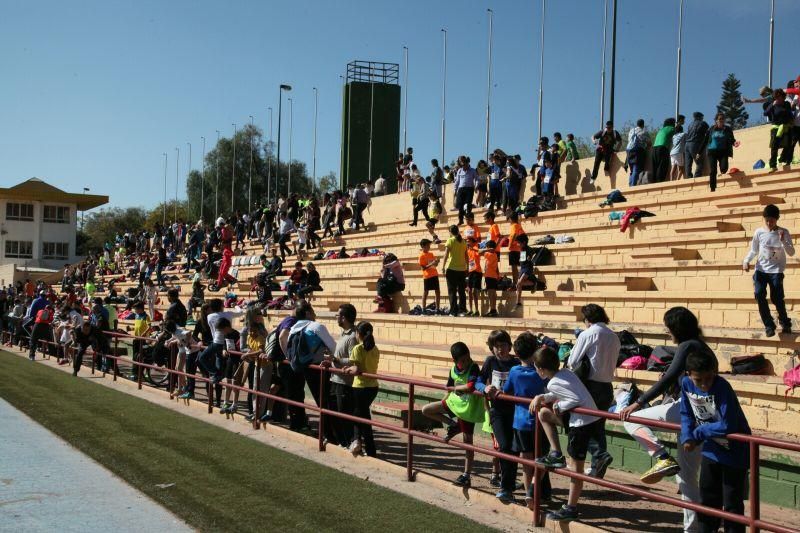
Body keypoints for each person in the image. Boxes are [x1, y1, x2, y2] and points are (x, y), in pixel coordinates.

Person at [620, 306, 710, 532]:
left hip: (687, 410)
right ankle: (693, 529)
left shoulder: (688, 345)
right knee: (687, 477)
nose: (667, 331)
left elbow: (670, 376)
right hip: (704, 413)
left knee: (631, 419)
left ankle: (662, 456)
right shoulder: (700, 345)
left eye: (668, 327)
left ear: (676, 328)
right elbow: (677, 374)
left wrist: (638, 402)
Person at [529, 346, 604, 523]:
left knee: (576, 469)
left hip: (581, 424)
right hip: (587, 420)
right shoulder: (565, 373)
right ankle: (556, 453)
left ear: (541, 369)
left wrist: (559, 406)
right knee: (543, 414)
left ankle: (571, 507)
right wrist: (542, 397)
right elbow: (561, 393)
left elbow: (574, 399)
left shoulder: (553, 381)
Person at [680, 349, 751, 533]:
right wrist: (687, 435)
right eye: (699, 380)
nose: (704, 385)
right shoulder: (686, 384)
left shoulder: (722, 387)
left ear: (715, 373)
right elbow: (686, 413)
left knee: (732, 503)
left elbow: (728, 425)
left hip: (734, 452)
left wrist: (697, 433)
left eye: (708, 379)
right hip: (711, 449)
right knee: (708, 500)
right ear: (689, 374)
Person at [567, 304, 620, 479]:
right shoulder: (614, 336)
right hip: (607, 386)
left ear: (587, 319)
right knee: (598, 426)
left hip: (590, 385)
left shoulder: (588, 333)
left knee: (581, 424)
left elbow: (573, 361)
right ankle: (598, 465)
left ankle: (599, 455)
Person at [422, 342, 484, 487]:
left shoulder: (473, 367)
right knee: (426, 409)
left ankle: (466, 475)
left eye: (467, 358)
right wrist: (445, 399)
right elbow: (449, 387)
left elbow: (470, 386)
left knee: (468, 443)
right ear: (455, 361)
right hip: (453, 403)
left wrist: (458, 388)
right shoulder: (452, 370)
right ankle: (453, 425)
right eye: (462, 360)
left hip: (467, 410)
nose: (466, 361)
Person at [503, 332, 550, 507]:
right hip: (539, 422)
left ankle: (529, 493)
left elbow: (506, 390)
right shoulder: (541, 372)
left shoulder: (514, 371)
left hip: (520, 422)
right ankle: (532, 489)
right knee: (543, 458)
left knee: (526, 459)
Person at [475, 330, 521, 501]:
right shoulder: (490, 361)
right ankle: (505, 486)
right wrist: (484, 388)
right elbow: (478, 380)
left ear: (510, 346)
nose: (500, 349)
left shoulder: (517, 363)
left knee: (515, 449)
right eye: (496, 346)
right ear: (491, 348)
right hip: (498, 412)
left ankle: (509, 484)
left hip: (516, 412)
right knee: (504, 446)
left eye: (503, 345)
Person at [743, 204, 794, 336]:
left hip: (776, 271)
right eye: (767, 220)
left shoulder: (784, 232)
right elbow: (754, 250)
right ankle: (769, 325)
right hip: (761, 270)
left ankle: (785, 322)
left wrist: (783, 241)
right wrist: (746, 260)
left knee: (777, 298)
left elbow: (791, 252)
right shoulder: (759, 232)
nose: (769, 223)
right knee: (759, 294)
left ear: (777, 219)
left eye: (772, 220)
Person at [344, 321, 380, 457]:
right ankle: (361, 444)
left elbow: (357, 369)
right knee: (362, 415)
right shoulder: (375, 348)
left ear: (358, 334)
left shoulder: (358, 348)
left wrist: (347, 369)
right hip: (372, 387)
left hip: (360, 387)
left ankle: (363, 445)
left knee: (361, 416)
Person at [326, 304, 358, 448]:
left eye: (338, 315)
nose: (336, 317)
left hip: (345, 382)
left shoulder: (352, 336)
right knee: (334, 413)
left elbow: (353, 360)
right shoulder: (344, 334)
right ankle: (342, 442)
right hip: (335, 378)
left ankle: (349, 443)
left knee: (344, 414)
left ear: (344, 318)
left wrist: (335, 360)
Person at [704, 113, 737, 192]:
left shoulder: (728, 129)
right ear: (716, 120)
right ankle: (713, 188)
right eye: (720, 119)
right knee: (713, 171)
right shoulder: (711, 129)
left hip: (723, 152)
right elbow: (705, 141)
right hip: (712, 152)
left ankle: (722, 171)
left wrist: (735, 143)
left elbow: (732, 139)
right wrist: (698, 152)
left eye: (723, 119)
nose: (721, 120)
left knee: (724, 169)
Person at [764, 88, 794, 171]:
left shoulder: (786, 104)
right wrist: (772, 105)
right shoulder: (773, 105)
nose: (778, 99)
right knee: (774, 147)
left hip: (785, 127)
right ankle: (773, 165)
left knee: (788, 144)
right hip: (775, 128)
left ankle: (782, 159)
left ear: (783, 97)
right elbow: (765, 113)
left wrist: (791, 122)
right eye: (776, 97)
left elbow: (789, 114)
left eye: (779, 97)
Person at [442, 225, 468, 317]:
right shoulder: (464, 241)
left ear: (450, 232)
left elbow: (446, 254)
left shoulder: (450, 240)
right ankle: (462, 310)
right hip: (462, 269)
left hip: (452, 269)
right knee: (461, 291)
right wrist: (467, 267)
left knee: (452, 291)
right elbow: (466, 256)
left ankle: (453, 311)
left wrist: (443, 266)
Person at [684, 112, 709, 179]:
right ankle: (697, 177)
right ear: (699, 117)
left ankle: (688, 177)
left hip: (687, 145)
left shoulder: (690, 124)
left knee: (688, 163)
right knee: (699, 162)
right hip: (695, 144)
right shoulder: (703, 123)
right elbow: (709, 132)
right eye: (702, 117)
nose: (702, 118)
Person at [453, 155, 477, 225]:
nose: (464, 166)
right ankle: (461, 220)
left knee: (468, 205)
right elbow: (457, 181)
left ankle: (469, 219)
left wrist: (476, 186)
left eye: (465, 165)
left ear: (467, 163)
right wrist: (455, 189)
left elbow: (477, 179)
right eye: (462, 165)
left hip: (469, 189)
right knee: (460, 206)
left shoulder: (472, 170)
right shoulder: (459, 171)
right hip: (461, 189)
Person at [418, 239, 441, 310]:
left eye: (429, 245)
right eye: (427, 245)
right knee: (426, 292)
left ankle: (437, 308)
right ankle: (423, 309)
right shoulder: (421, 256)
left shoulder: (431, 254)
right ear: (423, 246)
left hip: (434, 274)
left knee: (437, 291)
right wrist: (432, 263)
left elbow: (435, 265)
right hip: (427, 276)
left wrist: (437, 262)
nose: (429, 247)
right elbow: (423, 268)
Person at [626, 118, 649, 186]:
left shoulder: (631, 131)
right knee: (636, 169)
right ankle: (633, 186)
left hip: (629, 150)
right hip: (637, 151)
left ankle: (630, 185)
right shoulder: (643, 132)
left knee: (632, 170)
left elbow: (629, 140)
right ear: (643, 125)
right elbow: (649, 143)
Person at [652, 118, 676, 183]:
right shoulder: (672, 128)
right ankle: (659, 183)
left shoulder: (661, 130)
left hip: (654, 149)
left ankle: (654, 183)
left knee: (655, 167)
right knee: (662, 166)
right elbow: (678, 136)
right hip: (662, 148)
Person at [483, 240, 500, 317]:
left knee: (491, 293)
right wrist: (498, 275)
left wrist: (487, 249)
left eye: (487, 247)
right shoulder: (495, 255)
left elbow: (479, 252)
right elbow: (497, 267)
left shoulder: (488, 254)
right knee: (493, 293)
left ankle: (492, 309)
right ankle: (493, 309)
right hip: (493, 276)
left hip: (489, 276)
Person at [507, 211, 525, 285]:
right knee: (520, 267)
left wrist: (510, 245)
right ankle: (519, 283)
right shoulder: (519, 225)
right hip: (520, 249)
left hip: (514, 249)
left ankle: (515, 284)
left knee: (514, 268)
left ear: (511, 219)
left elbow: (514, 234)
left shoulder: (514, 225)